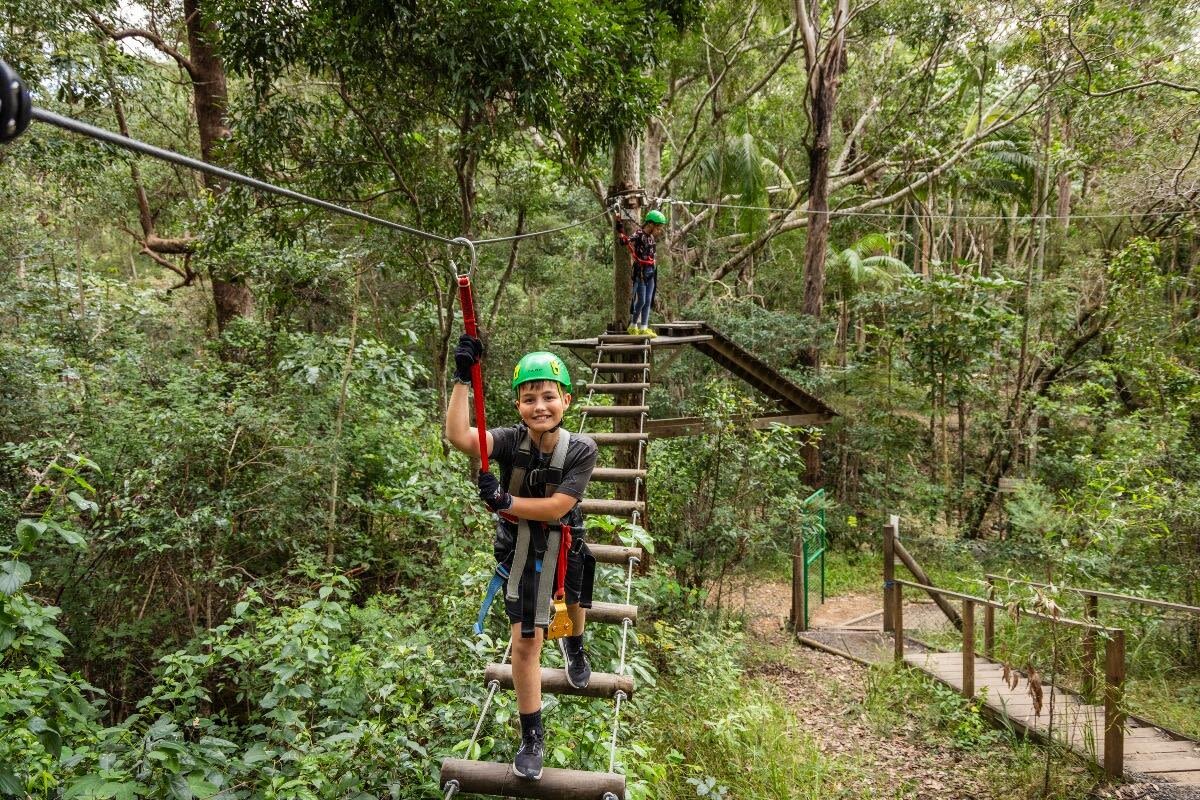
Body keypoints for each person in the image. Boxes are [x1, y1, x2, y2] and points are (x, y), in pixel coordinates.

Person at [445, 340, 598, 781]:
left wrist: (504, 500)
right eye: (529, 398)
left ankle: (574, 644)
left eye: (549, 396)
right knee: (527, 643)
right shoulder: (510, 441)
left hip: (564, 543)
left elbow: (555, 507)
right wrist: (462, 377)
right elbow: (459, 437)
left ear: (566, 400)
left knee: (574, 605)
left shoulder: (582, 449)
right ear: (518, 404)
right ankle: (532, 736)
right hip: (519, 554)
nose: (540, 406)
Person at [617, 208, 666, 337]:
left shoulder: (651, 238)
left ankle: (644, 327)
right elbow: (626, 241)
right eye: (658, 227)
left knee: (648, 300)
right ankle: (633, 325)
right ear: (650, 224)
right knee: (642, 300)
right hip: (641, 272)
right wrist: (620, 231)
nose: (659, 230)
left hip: (651, 272)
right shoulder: (639, 234)